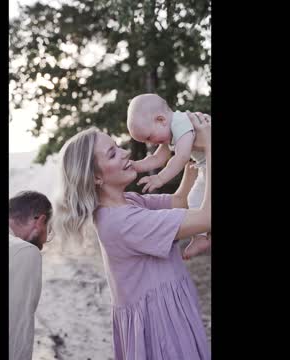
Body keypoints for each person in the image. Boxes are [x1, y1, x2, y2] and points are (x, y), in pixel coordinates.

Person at [52, 112, 212, 360]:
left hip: (169, 315)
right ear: (95, 177)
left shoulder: (129, 203)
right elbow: (205, 218)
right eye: (113, 153)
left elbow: (179, 202)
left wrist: (189, 151)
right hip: (162, 329)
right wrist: (210, 149)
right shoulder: (121, 222)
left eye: (117, 146)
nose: (126, 153)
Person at [127, 93, 211, 259]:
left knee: (195, 198)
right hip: (205, 165)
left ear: (161, 120)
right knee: (196, 198)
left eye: (149, 137)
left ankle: (200, 237)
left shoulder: (181, 124)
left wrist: (160, 178)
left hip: (206, 164)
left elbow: (182, 156)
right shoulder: (170, 131)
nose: (150, 143)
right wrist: (136, 166)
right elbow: (158, 158)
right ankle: (202, 236)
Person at [8, 190, 52, 360]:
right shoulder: (24, 251)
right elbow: (17, 330)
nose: (46, 239)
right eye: (49, 230)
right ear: (40, 221)